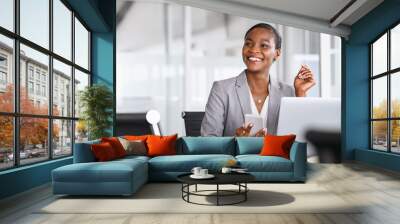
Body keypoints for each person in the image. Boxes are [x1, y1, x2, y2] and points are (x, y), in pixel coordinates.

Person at [200, 23, 316, 137]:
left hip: (277, 157)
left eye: (264, 45)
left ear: (277, 53)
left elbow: (301, 141)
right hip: (234, 157)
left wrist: (301, 94)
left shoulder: (290, 93)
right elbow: (208, 140)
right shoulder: (222, 90)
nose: (253, 50)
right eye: (248, 44)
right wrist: (236, 143)